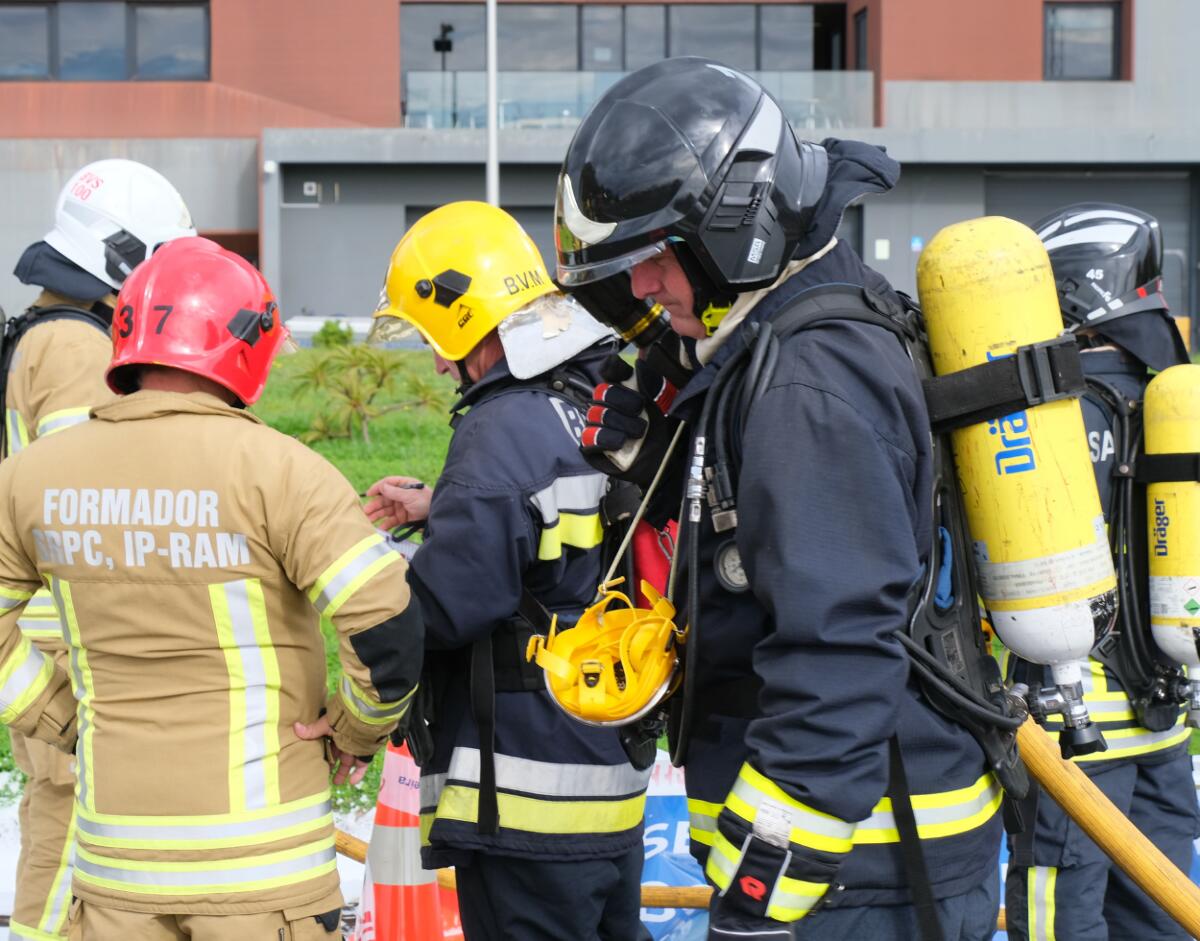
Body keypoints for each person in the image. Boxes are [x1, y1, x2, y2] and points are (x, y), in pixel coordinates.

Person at [555, 57, 1004, 940]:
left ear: (734, 230)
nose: (644, 288)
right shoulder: (780, 337)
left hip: (861, 866)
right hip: (849, 857)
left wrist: (763, 893)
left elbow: (836, 648)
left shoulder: (808, 383)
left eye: (656, 260)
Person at [0, 236, 424, 939]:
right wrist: (352, 728)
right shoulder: (283, 471)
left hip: (116, 870)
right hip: (262, 874)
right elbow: (387, 627)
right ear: (247, 349)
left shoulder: (34, 477)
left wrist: (61, 718)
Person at [364, 200, 653, 941]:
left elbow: (448, 604)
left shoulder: (498, 429)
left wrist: (366, 567)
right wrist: (443, 506)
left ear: (469, 319)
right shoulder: (593, 399)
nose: (435, 361)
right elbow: (556, 533)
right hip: (604, 780)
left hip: (523, 797)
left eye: (437, 337)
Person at [3, 158, 195, 941]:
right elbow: (88, 499)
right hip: (73, 639)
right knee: (74, 825)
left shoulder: (40, 331)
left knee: (59, 809)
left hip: (46, 633)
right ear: (126, 259)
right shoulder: (78, 348)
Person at [1003, 203, 1199, 941]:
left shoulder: (1045, 402)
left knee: (1061, 918)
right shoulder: (1178, 397)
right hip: (1168, 716)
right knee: (1162, 913)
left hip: (1073, 725)